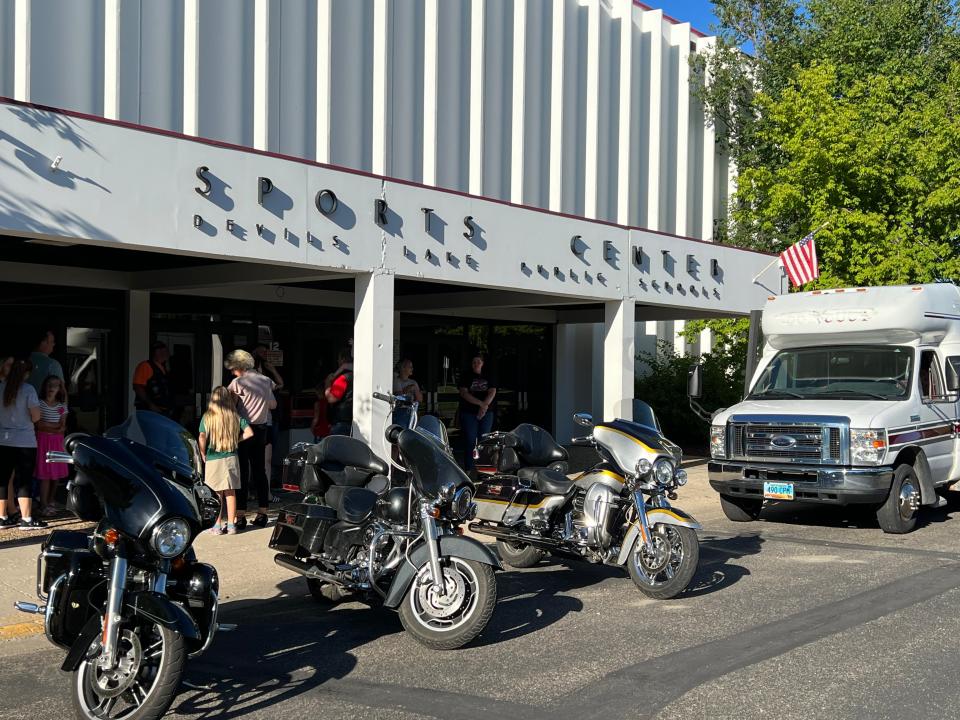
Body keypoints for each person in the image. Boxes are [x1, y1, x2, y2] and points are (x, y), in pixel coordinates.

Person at [226, 349, 277, 529]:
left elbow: (230, 406)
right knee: (260, 471)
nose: (232, 372)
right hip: (262, 429)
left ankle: (240, 515)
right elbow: (273, 404)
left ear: (240, 366)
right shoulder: (266, 381)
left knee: (242, 472)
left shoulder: (237, 383)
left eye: (233, 368)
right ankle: (263, 512)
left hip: (243, 430)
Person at [198, 387, 253, 535]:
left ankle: (216, 526)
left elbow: (202, 436)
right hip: (231, 457)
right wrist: (236, 440)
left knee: (216, 494)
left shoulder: (208, 417)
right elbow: (249, 433)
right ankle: (231, 525)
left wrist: (202, 452)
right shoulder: (234, 416)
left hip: (213, 457)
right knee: (230, 492)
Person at [0, 358, 46, 529]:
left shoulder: (0, 387)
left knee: (3, 480)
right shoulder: (28, 389)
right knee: (24, 480)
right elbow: (36, 416)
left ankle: (2, 517)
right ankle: (26, 519)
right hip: (25, 441)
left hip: (3, 440)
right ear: (26, 374)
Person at [35, 375, 69, 516]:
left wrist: (48, 426)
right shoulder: (39, 403)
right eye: (49, 385)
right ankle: (43, 504)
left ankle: (50, 500)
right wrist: (52, 426)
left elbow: (62, 427)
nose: (52, 388)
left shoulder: (61, 407)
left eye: (55, 385)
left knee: (56, 474)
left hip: (57, 442)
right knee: (45, 474)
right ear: (44, 386)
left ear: (60, 388)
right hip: (43, 441)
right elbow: (38, 424)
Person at [253, 344, 284, 500]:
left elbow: (280, 384)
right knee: (260, 459)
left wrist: (271, 369)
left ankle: (263, 492)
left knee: (261, 459)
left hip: (261, 422)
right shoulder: (261, 381)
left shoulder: (263, 380)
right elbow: (273, 403)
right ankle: (261, 493)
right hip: (262, 422)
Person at [458, 354, 497, 471]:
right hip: (469, 412)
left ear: (482, 363)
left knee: (484, 440)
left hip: (487, 413)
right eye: (474, 362)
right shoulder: (466, 375)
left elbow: (492, 391)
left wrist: (484, 407)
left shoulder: (489, 375)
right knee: (470, 439)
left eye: (478, 362)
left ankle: (484, 470)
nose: (476, 364)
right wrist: (481, 404)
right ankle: (469, 468)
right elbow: (464, 393)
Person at [132, 341, 175, 417]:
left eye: (165, 351)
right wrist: (150, 405)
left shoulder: (165, 368)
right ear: (154, 353)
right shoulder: (145, 366)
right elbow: (138, 387)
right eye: (160, 351)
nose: (164, 353)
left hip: (164, 411)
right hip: (150, 411)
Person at [325, 347, 353, 436]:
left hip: (342, 421)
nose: (338, 361)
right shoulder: (358, 375)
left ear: (343, 360)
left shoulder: (343, 378)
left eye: (339, 359)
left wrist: (327, 383)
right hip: (353, 419)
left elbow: (331, 399)